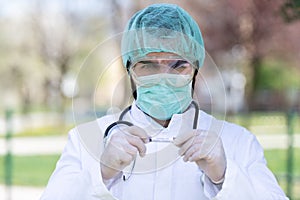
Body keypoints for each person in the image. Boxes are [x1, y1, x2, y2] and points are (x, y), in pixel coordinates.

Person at [41, 3, 288, 200]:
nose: (164, 76)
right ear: (129, 69)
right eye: (147, 64)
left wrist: (224, 174)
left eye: (178, 65)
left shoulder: (238, 143)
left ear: (195, 69)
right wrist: (102, 171)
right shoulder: (87, 142)